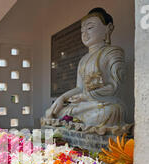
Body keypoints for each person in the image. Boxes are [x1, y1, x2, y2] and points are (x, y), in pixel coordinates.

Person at [45, 7, 128, 135]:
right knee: (57, 110)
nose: (85, 34)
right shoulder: (83, 59)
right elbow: (79, 87)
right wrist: (62, 98)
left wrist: (86, 96)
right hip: (85, 105)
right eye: (82, 30)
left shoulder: (113, 53)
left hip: (103, 103)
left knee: (111, 111)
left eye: (90, 28)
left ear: (108, 28)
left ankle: (80, 120)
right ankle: (76, 118)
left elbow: (115, 87)